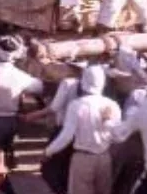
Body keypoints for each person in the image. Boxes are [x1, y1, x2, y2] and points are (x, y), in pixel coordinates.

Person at [43, 65, 121, 194]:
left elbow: (67, 135)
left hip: (83, 158)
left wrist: (49, 151)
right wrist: (108, 123)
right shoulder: (112, 105)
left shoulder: (76, 105)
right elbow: (118, 136)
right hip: (105, 157)